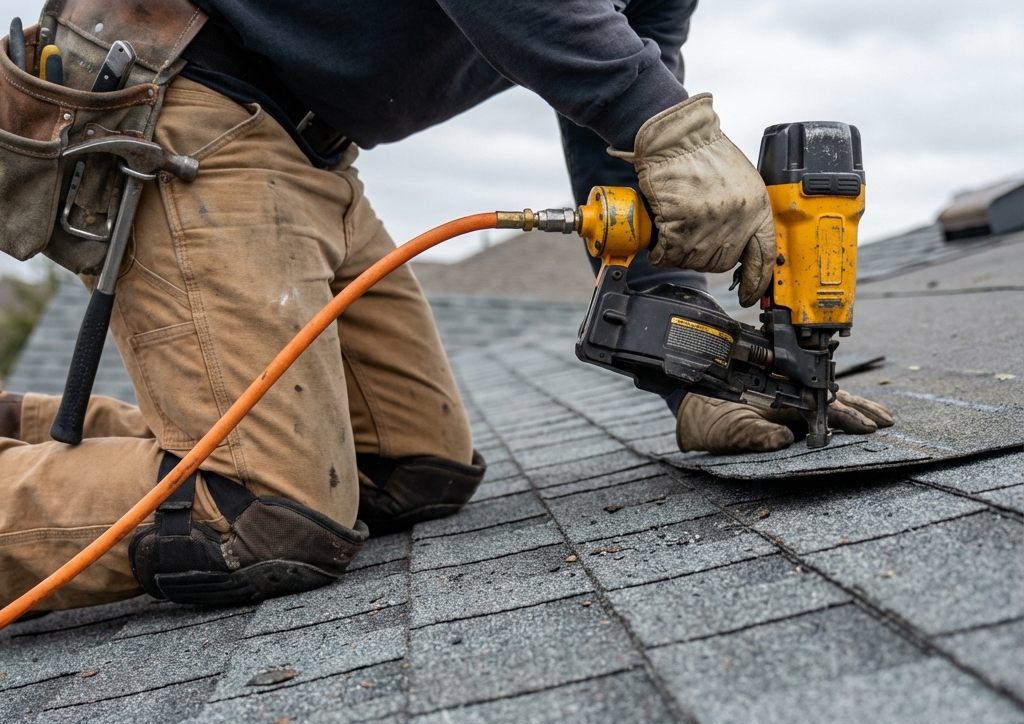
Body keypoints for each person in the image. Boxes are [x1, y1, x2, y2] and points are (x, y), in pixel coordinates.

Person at [0, 0, 891, 611]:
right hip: (187, 104)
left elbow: (622, 124)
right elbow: (637, 107)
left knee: (416, 464)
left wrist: (688, 369)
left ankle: (23, 426)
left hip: (309, 146)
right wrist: (670, 122)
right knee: (259, 512)